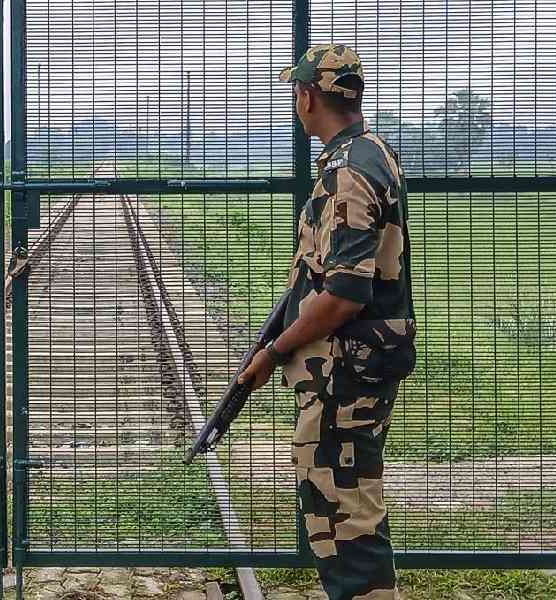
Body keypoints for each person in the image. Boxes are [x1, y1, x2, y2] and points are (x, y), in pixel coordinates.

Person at [238, 43, 416, 600]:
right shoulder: (373, 152)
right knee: (350, 501)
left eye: (296, 93)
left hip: (343, 370)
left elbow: (344, 293)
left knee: (341, 511)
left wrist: (271, 353)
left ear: (307, 96)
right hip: (357, 365)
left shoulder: (347, 171)